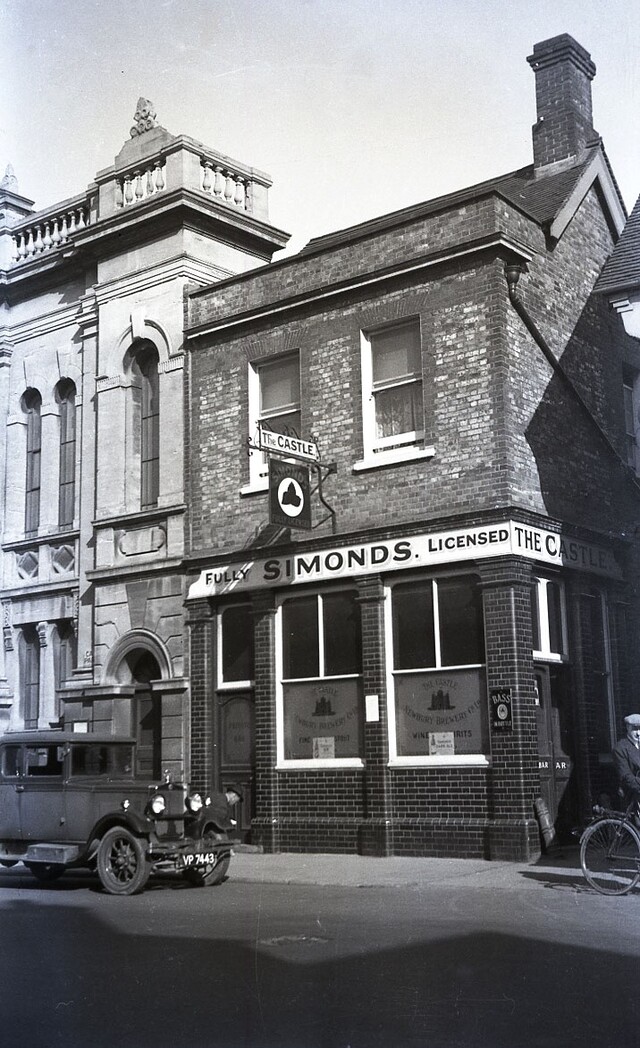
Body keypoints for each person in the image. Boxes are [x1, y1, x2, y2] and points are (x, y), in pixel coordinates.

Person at [612, 714, 640, 812]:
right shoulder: (620, 748)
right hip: (632, 795)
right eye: (635, 729)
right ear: (628, 728)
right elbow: (626, 777)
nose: (638, 733)